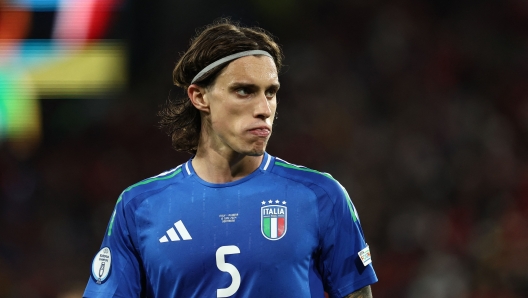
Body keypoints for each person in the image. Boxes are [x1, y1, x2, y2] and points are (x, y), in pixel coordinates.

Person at [83, 19, 377, 298]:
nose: (264, 108)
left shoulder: (321, 195)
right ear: (200, 97)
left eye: (271, 93)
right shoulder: (139, 207)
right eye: (244, 91)